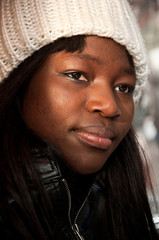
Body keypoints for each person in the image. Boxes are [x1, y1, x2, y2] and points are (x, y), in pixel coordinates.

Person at [0, 0, 158, 239]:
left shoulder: (117, 213)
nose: (109, 106)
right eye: (77, 75)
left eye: (124, 88)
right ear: (18, 81)